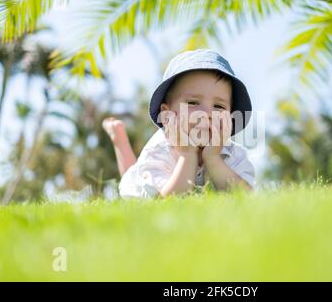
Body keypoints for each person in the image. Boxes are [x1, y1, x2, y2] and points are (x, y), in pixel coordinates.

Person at [103, 49, 255, 198]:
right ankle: (119, 138)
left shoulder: (234, 153)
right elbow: (165, 202)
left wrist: (213, 158)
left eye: (219, 106)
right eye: (193, 102)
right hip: (143, 182)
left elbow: (245, 198)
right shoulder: (159, 150)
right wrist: (187, 156)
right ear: (167, 115)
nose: (207, 114)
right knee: (130, 178)